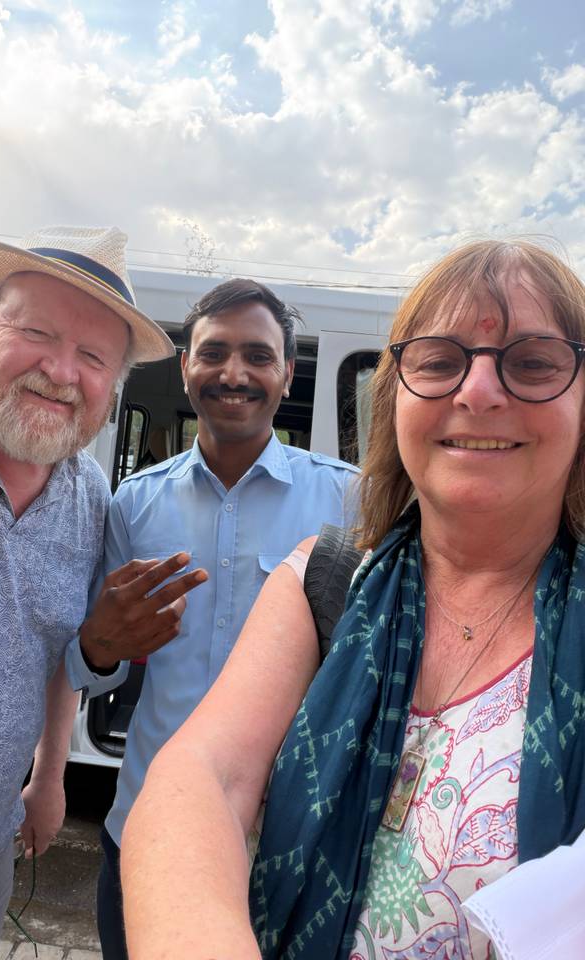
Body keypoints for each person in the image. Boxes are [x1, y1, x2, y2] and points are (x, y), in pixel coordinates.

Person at [120, 239, 585, 960]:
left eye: (533, 363)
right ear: (395, 398)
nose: (479, 391)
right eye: (438, 361)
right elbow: (204, 777)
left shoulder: (329, 493)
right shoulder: (326, 579)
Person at [0, 225, 205, 960]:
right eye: (36, 332)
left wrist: (50, 777)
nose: (60, 371)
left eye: (92, 357)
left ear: (112, 386)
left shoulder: (90, 498)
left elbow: (59, 653)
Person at [74, 277, 360, 959]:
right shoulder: (133, 506)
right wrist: (99, 647)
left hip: (290, 842)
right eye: (215, 353)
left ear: (287, 374)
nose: (235, 373)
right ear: (186, 367)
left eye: (258, 356)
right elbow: (88, 672)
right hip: (146, 828)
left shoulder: (349, 502)